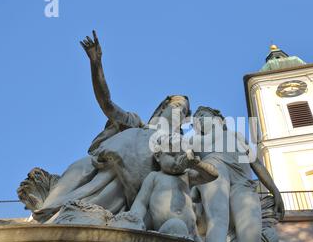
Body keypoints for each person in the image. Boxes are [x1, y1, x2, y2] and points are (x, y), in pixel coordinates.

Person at [20, 31, 191, 223]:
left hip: (121, 190)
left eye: (183, 112)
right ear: (162, 108)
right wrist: (96, 63)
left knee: (79, 215)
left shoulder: (175, 148)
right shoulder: (135, 123)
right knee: (65, 190)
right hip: (98, 168)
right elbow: (107, 104)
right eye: (177, 107)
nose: (179, 113)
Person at [191, 106, 285, 242]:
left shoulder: (236, 136)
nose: (199, 120)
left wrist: (274, 189)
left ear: (218, 119)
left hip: (242, 181)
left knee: (251, 236)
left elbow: (256, 164)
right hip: (214, 172)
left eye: (202, 115)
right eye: (196, 120)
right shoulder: (195, 140)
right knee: (217, 221)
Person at [107, 134, 218, 241]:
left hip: (192, 234)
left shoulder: (187, 176)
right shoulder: (155, 177)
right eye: (172, 155)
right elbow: (141, 202)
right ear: (158, 156)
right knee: (176, 225)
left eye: (181, 155)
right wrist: (134, 218)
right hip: (168, 230)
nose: (177, 160)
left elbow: (212, 175)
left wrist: (195, 164)